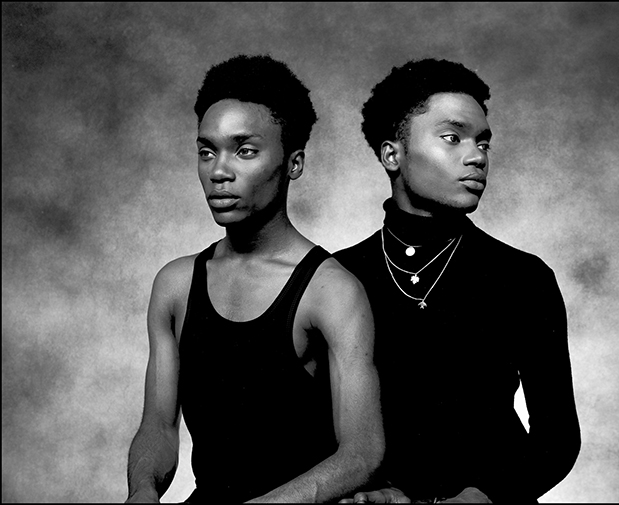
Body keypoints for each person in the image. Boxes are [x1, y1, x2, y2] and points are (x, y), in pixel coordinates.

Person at [125, 54, 384, 503]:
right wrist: (142, 490)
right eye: (207, 151)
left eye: (244, 151)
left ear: (293, 163)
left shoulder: (331, 292)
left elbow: (361, 454)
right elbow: (159, 427)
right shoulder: (175, 285)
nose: (218, 172)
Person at [334, 58, 581, 503]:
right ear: (392, 154)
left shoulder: (522, 277)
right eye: (453, 138)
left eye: (483, 142)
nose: (477, 157)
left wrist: (485, 496)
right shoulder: (336, 277)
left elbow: (558, 439)